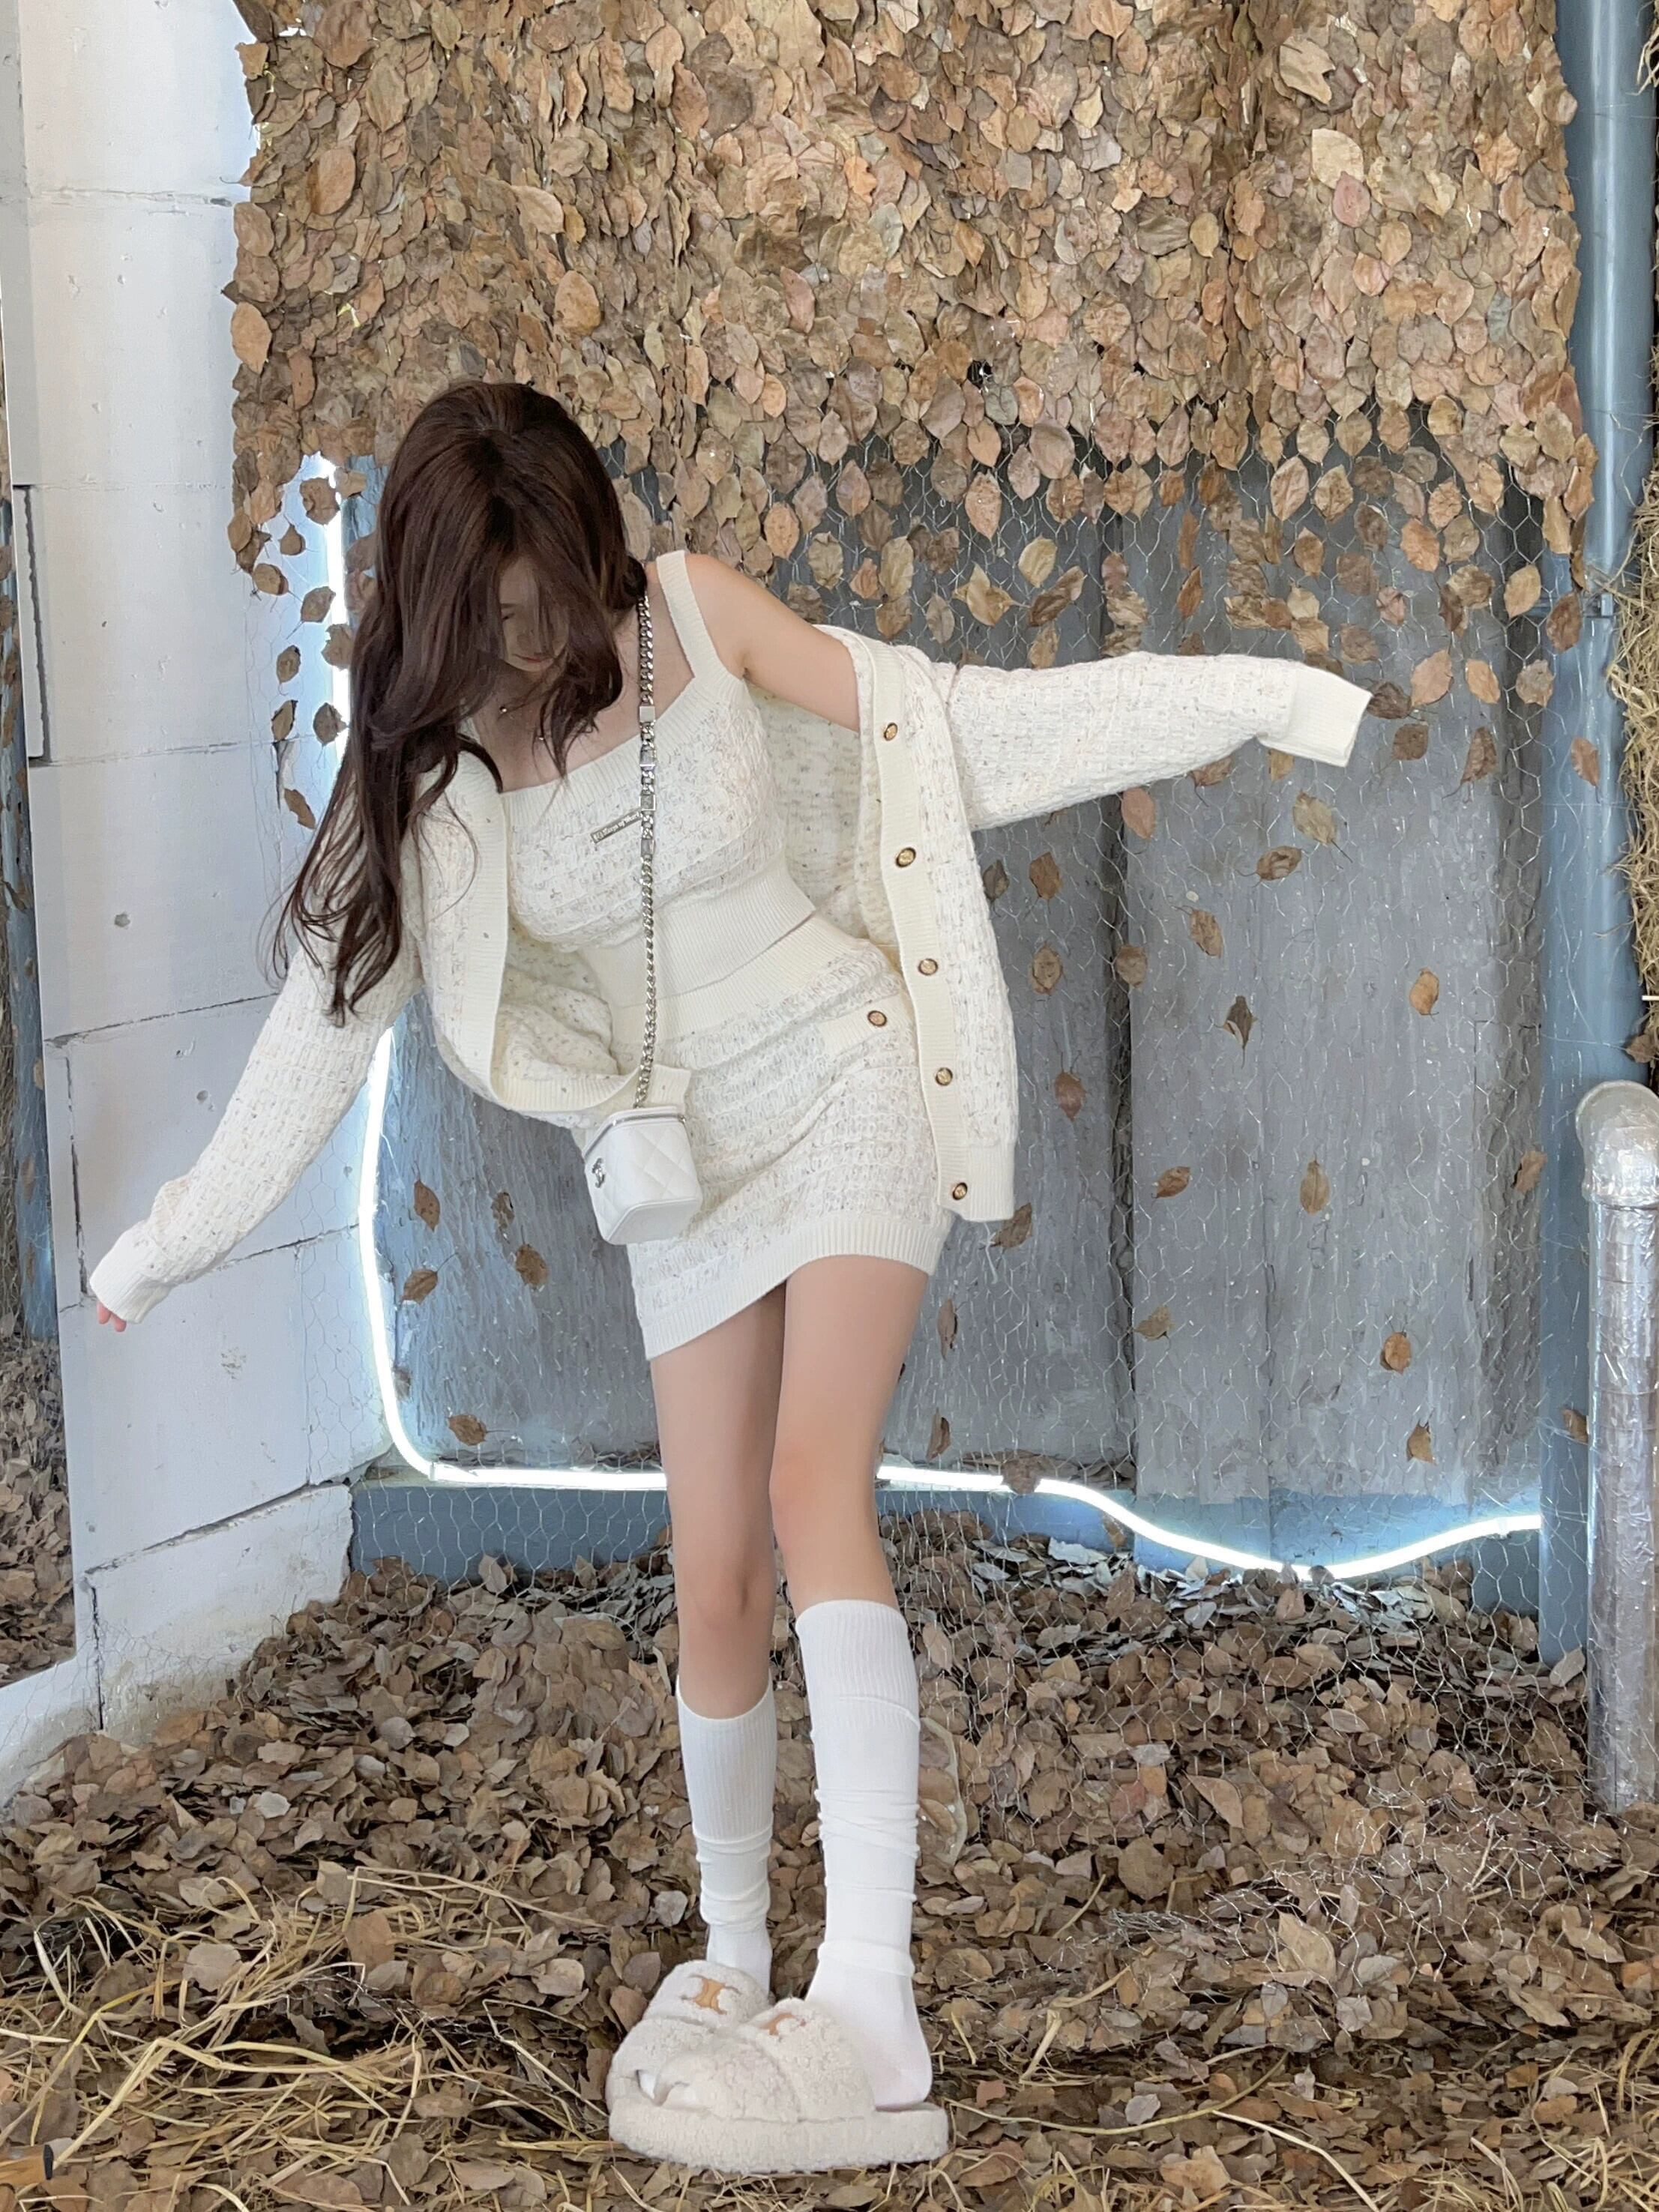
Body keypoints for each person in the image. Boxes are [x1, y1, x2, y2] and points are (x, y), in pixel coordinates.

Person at [90, 380, 1370, 2173]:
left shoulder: (694, 613)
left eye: (554, 593)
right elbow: (318, 1033)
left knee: (807, 1482)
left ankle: (872, 1999)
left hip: (847, 1071)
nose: (537, 641)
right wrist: (164, 1245)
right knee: (710, 1573)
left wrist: (1256, 699)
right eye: (496, 612)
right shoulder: (435, 786)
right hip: (680, 1161)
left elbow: (957, 727)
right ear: (437, 601)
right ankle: (736, 1957)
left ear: (593, 541)